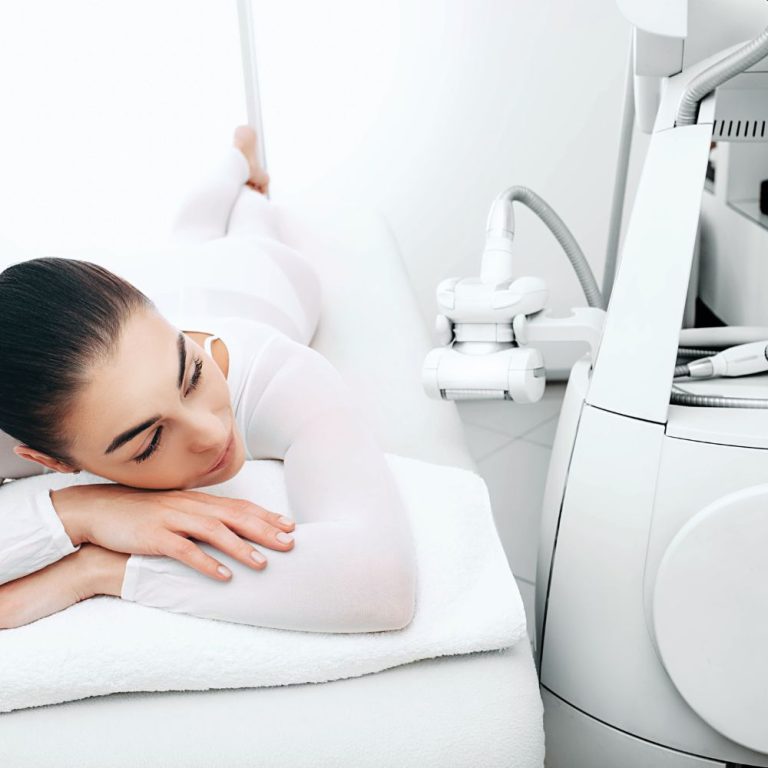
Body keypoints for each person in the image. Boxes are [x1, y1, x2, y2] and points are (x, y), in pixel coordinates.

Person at [0, 126, 417, 633]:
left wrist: (100, 570)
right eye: (150, 442)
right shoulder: (24, 416)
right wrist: (81, 512)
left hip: (258, 273)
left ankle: (242, 162)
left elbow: (380, 582)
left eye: (193, 375)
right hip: (182, 285)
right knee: (192, 233)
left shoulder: (278, 376)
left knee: (239, 219)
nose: (213, 433)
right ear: (51, 462)